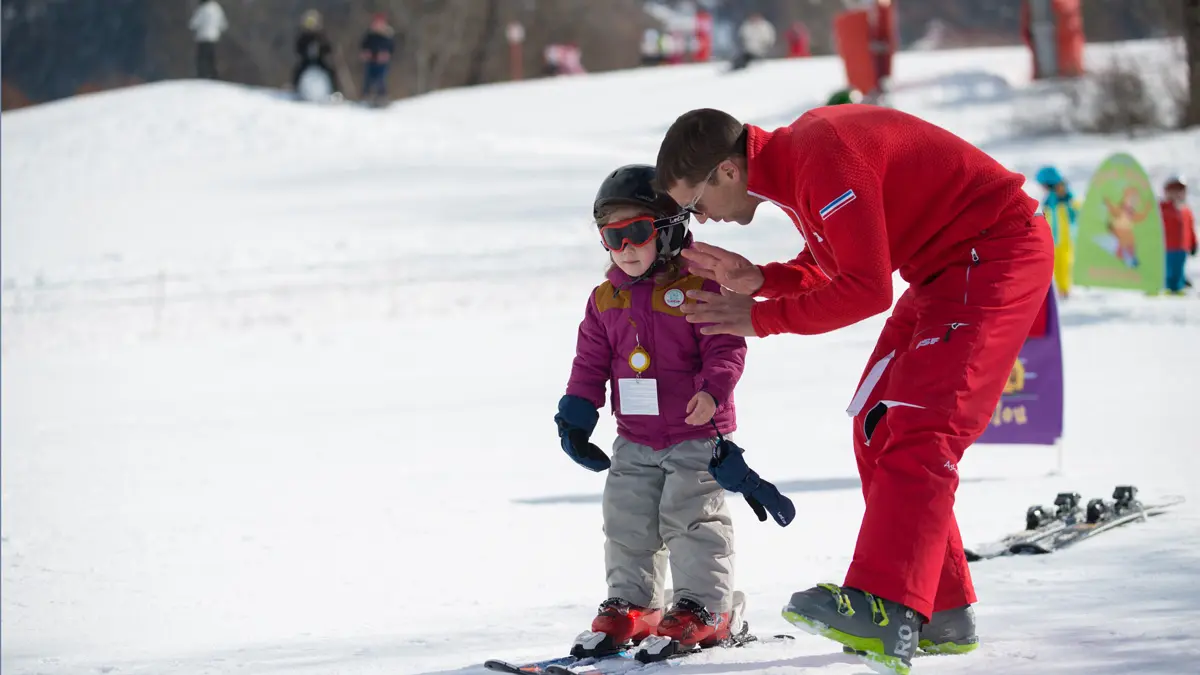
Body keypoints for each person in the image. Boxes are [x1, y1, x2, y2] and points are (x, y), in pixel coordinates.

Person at [652, 106, 1053, 675]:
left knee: (922, 428)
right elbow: (842, 263)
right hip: (944, 269)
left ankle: (887, 606)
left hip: (995, 253)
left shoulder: (821, 156)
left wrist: (761, 318)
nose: (703, 220)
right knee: (877, 421)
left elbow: (866, 289)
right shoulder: (793, 170)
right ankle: (941, 608)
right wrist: (762, 280)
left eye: (696, 205)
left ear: (725, 171)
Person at [555, 164, 794, 661]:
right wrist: (576, 416)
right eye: (612, 237)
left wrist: (713, 391)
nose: (625, 247)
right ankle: (634, 605)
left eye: (636, 232)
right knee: (626, 520)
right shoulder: (605, 300)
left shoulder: (699, 287)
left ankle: (705, 609)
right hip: (634, 438)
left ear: (667, 230)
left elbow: (727, 346)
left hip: (694, 433)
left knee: (691, 521)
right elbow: (589, 364)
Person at [1035, 166, 1079, 298]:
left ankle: (1064, 289)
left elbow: (1074, 214)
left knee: (1064, 263)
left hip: (1065, 238)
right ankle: (1061, 289)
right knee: (1056, 264)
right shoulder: (1050, 199)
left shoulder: (1066, 197)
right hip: (1053, 238)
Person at [1160, 175, 1195, 295]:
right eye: (1173, 190)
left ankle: (1179, 286)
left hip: (1182, 247)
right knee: (1167, 268)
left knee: (1179, 267)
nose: (1177, 194)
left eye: (1180, 191)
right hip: (1167, 246)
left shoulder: (1186, 211)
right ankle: (1168, 286)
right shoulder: (1162, 209)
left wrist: (1193, 243)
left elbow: (1190, 228)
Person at [292, 10, 340, 97]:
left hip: (319, 59)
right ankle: (295, 88)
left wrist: (326, 53)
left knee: (330, 71)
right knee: (298, 70)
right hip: (306, 60)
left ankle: (335, 91)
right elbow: (298, 48)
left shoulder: (321, 35)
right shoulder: (303, 36)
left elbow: (328, 47)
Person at [359, 13, 396, 106]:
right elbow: (364, 45)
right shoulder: (369, 35)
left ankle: (381, 98)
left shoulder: (387, 35)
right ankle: (366, 97)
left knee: (381, 79)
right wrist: (365, 53)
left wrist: (386, 54)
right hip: (371, 60)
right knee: (368, 78)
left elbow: (391, 48)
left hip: (382, 62)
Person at [189, 0, 228, 80]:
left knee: (202, 58)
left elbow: (193, 23)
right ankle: (213, 75)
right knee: (212, 58)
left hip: (202, 37)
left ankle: (202, 75)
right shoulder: (217, 8)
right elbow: (224, 25)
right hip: (214, 38)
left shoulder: (202, 9)